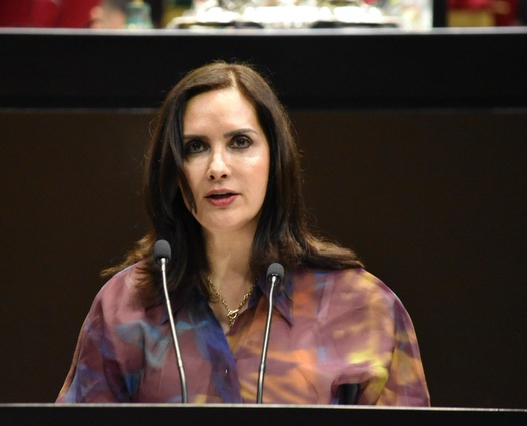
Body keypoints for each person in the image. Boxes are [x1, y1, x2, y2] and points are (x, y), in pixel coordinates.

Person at [56, 61, 430, 405]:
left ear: (276, 158)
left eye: (240, 142)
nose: (217, 167)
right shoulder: (127, 305)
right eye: (195, 147)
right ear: (173, 171)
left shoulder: (362, 307)